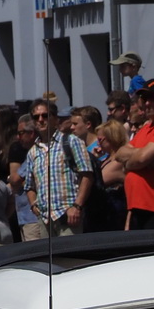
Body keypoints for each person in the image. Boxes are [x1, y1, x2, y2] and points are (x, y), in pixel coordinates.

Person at [25, 100, 94, 237]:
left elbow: (87, 175)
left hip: (68, 216)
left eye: (45, 115)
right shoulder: (32, 152)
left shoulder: (71, 141)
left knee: (70, 257)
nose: (41, 120)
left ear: (55, 119)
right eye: (36, 117)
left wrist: (77, 206)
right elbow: (29, 186)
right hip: (45, 220)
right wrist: (34, 205)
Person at [118, 86, 154, 230]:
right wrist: (139, 157)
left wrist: (133, 160)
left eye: (152, 99)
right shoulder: (146, 127)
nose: (146, 103)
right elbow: (120, 154)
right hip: (136, 206)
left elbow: (142, 159)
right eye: (144, 99)